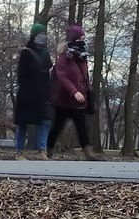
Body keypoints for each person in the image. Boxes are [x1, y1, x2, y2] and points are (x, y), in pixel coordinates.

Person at [47, 25, 100, 161]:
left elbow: (84, 76)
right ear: (73, 39)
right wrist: (74, 91)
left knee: (82, 125)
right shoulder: (64, 58)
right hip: (63, 100)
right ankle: (48, 149)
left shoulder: (82, 57)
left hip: (79, 100)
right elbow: (62, 77)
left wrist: (87, 91)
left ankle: (88, 151)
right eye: (80, 38)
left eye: (83, 38)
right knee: (58, 125)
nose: (82, 40)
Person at [13, 23, 52, 160]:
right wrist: (27, 89)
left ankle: (42, 150)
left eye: (44, 34)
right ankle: (19, 152)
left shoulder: (46, 54)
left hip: (42, 94)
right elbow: (20, 75)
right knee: (23, 123)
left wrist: (48, 90)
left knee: (45, 121)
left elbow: (48, 73)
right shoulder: (26, 52)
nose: (43, 36)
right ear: (34, 35)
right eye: (40, 34)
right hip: (27, 93)